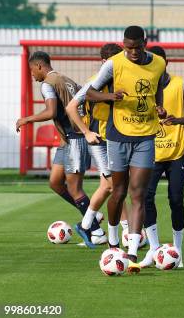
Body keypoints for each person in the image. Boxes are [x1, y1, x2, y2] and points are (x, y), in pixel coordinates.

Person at [84, 26, 167, 273]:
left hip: (145, 136)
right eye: (128, 47)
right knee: (118, 191)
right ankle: (112, 240)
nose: (132, 52)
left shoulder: (159, 63)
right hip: (117, 135)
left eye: (137, 47)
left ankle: (131, 252)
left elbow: (158, 87)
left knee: (138, 193)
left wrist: (160, 107)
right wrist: (110, 98)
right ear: (123, 44)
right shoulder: (112, 64)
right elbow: (89, 92)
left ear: (144, 44)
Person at [16, 51, 103, 247]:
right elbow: (86, 94)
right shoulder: (65, 78)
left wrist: (26, 119)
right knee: (55, 182)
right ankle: (93, 214)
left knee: (74, 187)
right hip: (67, 140)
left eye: (32, 71)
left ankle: (96, 231)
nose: (32, 76)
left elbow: (51, 111)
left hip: (75, 139)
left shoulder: (48, 83)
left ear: (39, 66)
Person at [136, 46, 184, 268]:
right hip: (149, 152)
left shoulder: (181, 85)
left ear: (166, 63)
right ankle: (153, 249)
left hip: (176, 153)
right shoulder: (142, 86)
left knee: (175, 199)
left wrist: (180, 122)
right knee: (145, 198)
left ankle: (177, 250)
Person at [65, 43, 129, 248]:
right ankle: (126, 230)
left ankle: (86, 225)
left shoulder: (122, 79)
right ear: (105, 62)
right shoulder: (94, 82)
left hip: (115, 137)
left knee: (108, 184)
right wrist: (86, 132)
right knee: (114, 184)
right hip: (99, 139)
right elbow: (71, 107)